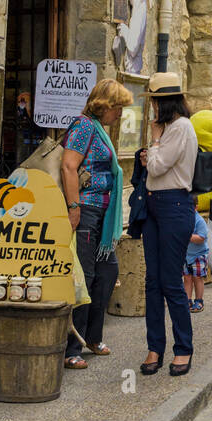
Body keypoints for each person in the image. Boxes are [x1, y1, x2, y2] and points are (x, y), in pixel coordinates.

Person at [61, 78, 133, 369]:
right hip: (87, 210)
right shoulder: (83, 126)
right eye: (117, 108)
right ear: (105, 105)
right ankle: (71, 348)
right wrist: (74, 206)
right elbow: (69, 165)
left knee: (107, 273)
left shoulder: (99, 129)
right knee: (86, 276)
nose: (120, 114)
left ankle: (92, 336)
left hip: (102, 215)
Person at [139, 73, 199, 378]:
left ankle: (183, 348)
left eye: (152, 100)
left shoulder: (180, 128)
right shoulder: (167, 129)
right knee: (153, 281)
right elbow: (152, 165)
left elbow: (158, 165)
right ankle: (155, 346)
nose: (150, 106)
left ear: (161, 102)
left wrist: (155, 141)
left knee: (171, 281)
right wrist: (152, 149)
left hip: (175, 205)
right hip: (154, 205)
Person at [183, 209, 209, 314]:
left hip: (199, 254)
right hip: (186, 255)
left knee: (197, 278)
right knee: (187, 278)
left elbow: (201, 237)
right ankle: (187, 300)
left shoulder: (199, 220)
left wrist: (188, 236)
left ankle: (199, 300)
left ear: (195, 207)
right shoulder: (183, 219)